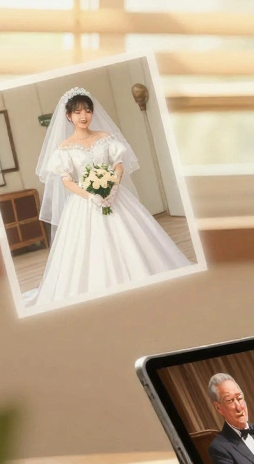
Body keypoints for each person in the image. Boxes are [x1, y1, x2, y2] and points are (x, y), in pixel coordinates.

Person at [26, 88, 191, 308]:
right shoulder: (63, 149)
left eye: (87, 110)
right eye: (77, 112)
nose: (83, 116)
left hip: (116, 197)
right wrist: (91, 196)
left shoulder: (105, 138)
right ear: (68, 116)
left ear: (92, 113)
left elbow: (118, 165)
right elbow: (67, 181)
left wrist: (113, 185)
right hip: (84, 204)